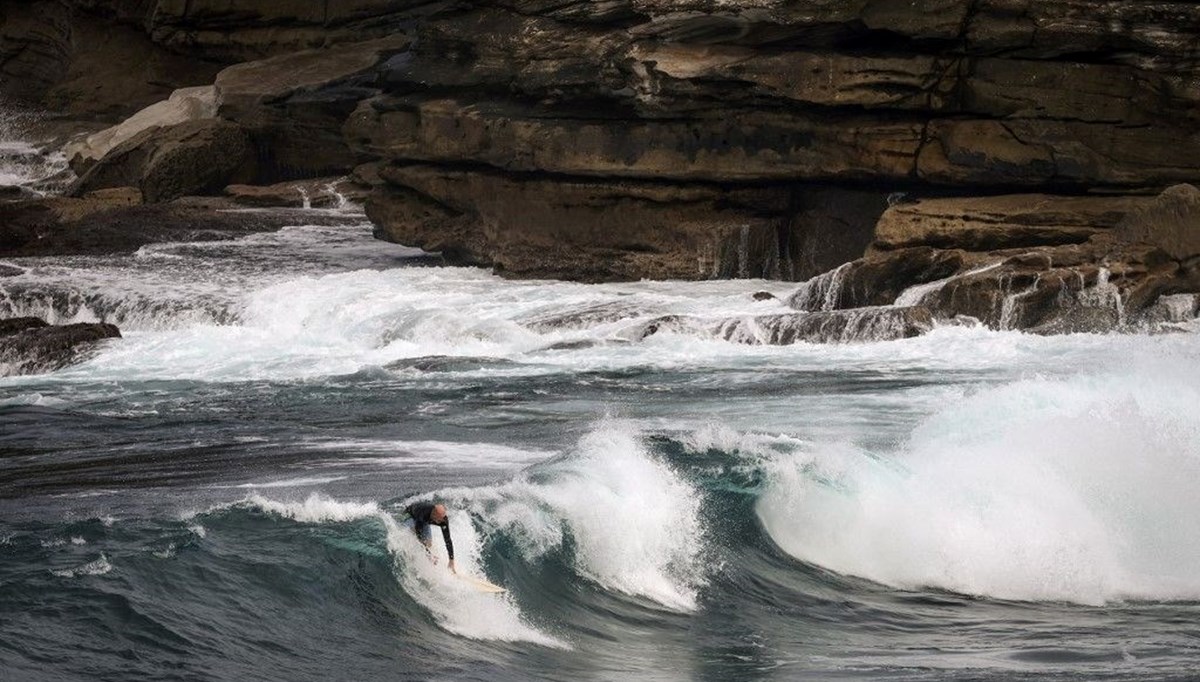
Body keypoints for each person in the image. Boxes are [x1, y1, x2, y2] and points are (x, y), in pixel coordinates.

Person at [402, 501, 456, 573]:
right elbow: (419, 537)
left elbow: (447, 539)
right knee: (413, 533)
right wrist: (429, 555)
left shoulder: (443, 520)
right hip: (411, 515)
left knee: (429, 543)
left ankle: (432, 559)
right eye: (438, 519)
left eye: (441, 519)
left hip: (425, 520)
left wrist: (451, 560)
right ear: (433, 514)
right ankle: (411, 558)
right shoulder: (423, 514)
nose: (440, 522)